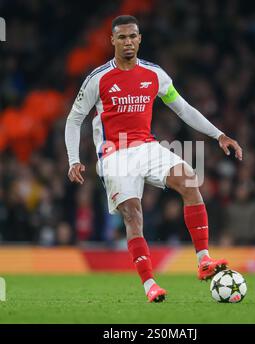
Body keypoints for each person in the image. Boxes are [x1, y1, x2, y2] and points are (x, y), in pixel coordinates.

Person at [65, 15, 243, 303]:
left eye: (132, 36)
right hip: (115, 153)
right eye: (121, 37)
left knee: (189, 180)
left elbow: (183, 109)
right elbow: (74, 121)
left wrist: (219, 135)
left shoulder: (154, 75)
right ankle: (150, 285)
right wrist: (74, 159)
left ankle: (203, 260)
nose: (128, 42)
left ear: (140, 38)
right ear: (112, 40)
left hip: (147, 147)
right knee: (133, 214)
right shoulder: (98, 79)